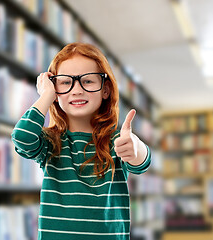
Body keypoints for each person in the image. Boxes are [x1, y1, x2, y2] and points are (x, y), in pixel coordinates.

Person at [11, 42, 151, 240]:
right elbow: (22, 138)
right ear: (54, 88)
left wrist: (135, 148)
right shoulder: (51, 142)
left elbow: (141, 163)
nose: (76, 90)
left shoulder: (117, 141)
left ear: (106, 89)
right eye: (66, 83)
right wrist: (46, 96)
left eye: (88, 81)